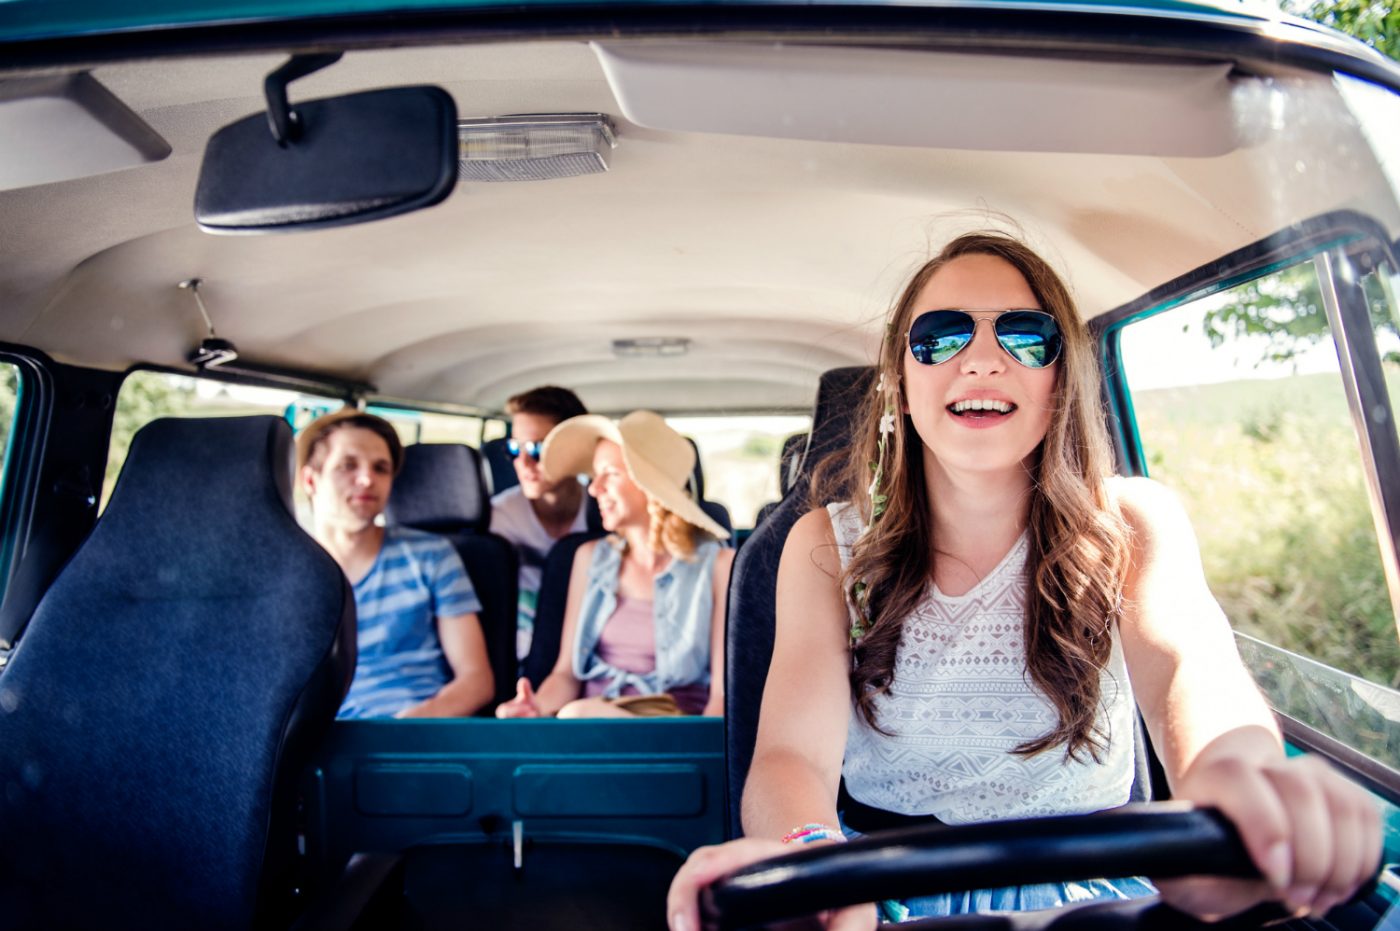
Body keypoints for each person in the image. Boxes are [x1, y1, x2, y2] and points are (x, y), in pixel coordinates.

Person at [666, 233, 1380, 929]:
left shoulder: (1132, 522)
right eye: (940, 337)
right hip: (880, 889)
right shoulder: (825, 545)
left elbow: (1190, 672)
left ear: (1059, 377)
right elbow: (793, 755)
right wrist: (810, 863)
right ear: (900, 387)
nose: (981, 359)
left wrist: (1238, 785)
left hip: (1096, 896)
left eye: (1025, 336)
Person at [495, 411, 734, 719]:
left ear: (650, 486)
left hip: (674, 730)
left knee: (577, 714)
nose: (594, 489)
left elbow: (721, 696)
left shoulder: (719, 566)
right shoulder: (587, 557)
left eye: (611, 475)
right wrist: (536, 706)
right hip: (588, 730)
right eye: (595, 476)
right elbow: (566, 674)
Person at [298, 409, 495, 719]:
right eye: (347, 466)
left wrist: (412, 723)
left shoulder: (431, 555)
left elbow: (477, 680)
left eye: (381, 468)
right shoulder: (285, 572)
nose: (367, 479)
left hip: (417, 733)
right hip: (318, 742)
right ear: (311, 479)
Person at [489, 386, 591, 663]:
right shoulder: (497, 519)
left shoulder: (604, 511)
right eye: (514, 448)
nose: (523, 462)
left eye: (537, 448)